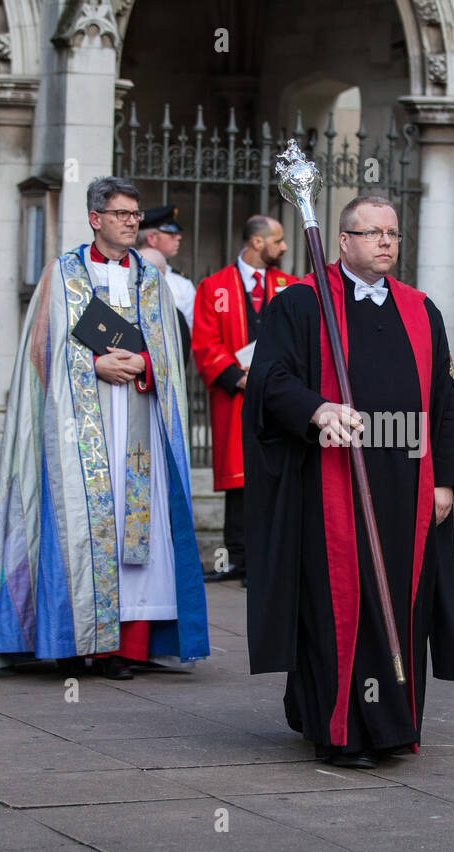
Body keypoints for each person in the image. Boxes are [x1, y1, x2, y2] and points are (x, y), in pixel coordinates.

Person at [242, 195, 454, 769]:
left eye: (393, 233)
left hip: (406, 484)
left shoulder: (422, 310)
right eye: (372, 233)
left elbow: (445, 402)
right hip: (331, 486)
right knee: (337, 605)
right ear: (343, 241)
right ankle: (339, 730)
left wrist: (444, 480)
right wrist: (317, 409)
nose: (386, 242)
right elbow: (268, 381)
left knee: (401, 603)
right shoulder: (301, 305)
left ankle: (394, 727)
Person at [0, 176, 208, 680]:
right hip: (81, 431)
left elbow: (169, 350)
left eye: (135, 214)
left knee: (137, 534)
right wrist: (91, 368)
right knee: (85, 529)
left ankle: (128, 646)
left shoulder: (151, 279)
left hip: (139, 426)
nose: (131, 222)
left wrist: (145, 364)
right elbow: (39, 356)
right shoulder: (62, 276)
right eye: (122, 214)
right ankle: (79, 642)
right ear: (95, 219)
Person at [192, 215, 297, 585]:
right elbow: (204, 343)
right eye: (278, 240)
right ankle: (235, 562)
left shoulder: (291, 286)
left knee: (274, 476)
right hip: (235, 396)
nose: (283, 247)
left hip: (278, 397)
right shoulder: (213, 286)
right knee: (238, 482)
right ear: (256, 243)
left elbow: (301, 338)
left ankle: (269, 564)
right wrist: (238, 377)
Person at [136, 205, 194, 365]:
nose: (179, 238)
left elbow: (189, 337)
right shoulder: (123, 271)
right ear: (151, 238)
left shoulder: (182, 283)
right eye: (171, 234)